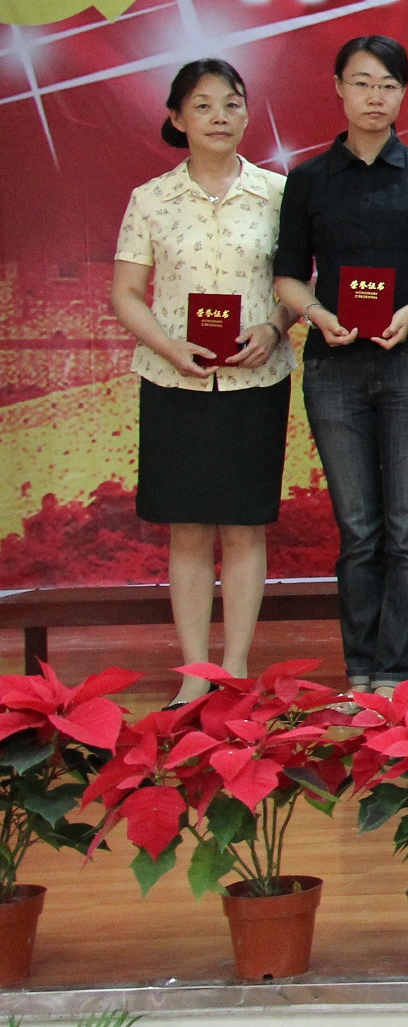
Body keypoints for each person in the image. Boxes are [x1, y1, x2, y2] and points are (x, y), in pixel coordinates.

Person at [111, 60, 298, 705]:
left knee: (244, 527)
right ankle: (195, 674)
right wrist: (168, 347)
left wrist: (274, 326)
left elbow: (297, 284)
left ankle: (236, 669)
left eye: (232, 104)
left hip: (256, 379)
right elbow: (126, 293)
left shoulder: (279, 194)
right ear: (177, 117)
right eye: (203, 105)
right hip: (174, 382)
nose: (220, 117)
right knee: (188, 529)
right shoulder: (151, 199)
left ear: (247, 114)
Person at [272, 35, 408, 692]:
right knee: (357, 529)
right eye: (362, 82)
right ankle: (360, 670)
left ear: (403, 94)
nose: (375, 96)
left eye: (388, 85)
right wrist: (318, 314)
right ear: (339, 88)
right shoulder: (308, 180)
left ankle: (397, 672)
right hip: (334, 367)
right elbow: (288, 275)